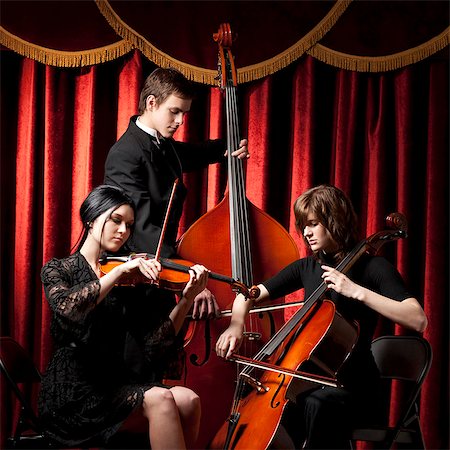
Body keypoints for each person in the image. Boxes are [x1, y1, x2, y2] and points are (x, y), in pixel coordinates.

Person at [215, 184, 428, 449]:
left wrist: (355, 290)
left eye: (313, 223)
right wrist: (236, 325)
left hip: (356, 391)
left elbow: (417, 318)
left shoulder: (374, 268)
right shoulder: (307, 267)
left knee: (316, 406)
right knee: (283, 410)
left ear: (334, 220)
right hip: (311, 388)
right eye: (304, 225)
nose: (306, 232)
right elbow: (247, 295)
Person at [38, 185, 210, 449]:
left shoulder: (128, 280)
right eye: (115, 220)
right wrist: (117, 274)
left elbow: (154, 344)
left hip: (115, 383)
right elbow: (68, 307)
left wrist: (187, 299)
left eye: (129, 225)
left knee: (189, 400)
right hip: (75, 390)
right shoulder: (58, 269)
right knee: (161, 400)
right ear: (91, 219)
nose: (123, 231)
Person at [104, 67, 249, 320]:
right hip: (136, 278)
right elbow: (141, 227)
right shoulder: (125, 155)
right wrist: (189, 277)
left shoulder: (160, 143)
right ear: (151, 102)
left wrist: (230, 145)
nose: (181, 120)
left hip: (160, 267)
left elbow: (192, 153)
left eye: (184, 113)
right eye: (175, 111)